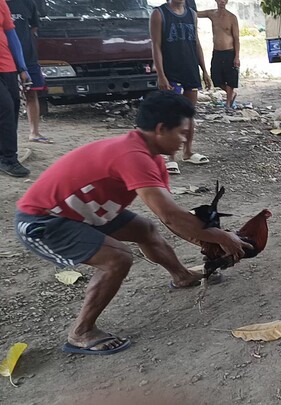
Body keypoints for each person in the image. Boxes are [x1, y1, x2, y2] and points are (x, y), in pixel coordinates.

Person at [14, 91, 252, 355]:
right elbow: (171, 216)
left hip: (83, 213)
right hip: (43, 221)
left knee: (145, 229)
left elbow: (171, 217)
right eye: (182, 133)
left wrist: (207, 240)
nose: (186, 139)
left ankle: (182, 276)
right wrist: (221, 237)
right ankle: (80, 333)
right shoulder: (132, 155)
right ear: (161, 129)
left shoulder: (150, 157)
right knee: (117, 259)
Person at [151, 0, 212, 174]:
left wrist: (204, 71)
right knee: (172, 114)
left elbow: (196, 43)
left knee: (189, 112)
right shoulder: (159, 14)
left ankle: (188, 151)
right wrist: (161, 75)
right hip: (171, 72)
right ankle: (170, 157)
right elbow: (155, 45)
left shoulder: (191, 14)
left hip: (190, 70)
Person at [8, 0, 49, 144]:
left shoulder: (28, 3)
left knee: (31, 92)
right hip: (6, 58)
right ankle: (9, 135)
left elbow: (33, 28)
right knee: (8, 98)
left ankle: (34, 133)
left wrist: (25, 44)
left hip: (28, 56)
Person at [1, 0, 32, 177]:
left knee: (12, 108)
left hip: (7, 66)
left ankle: (4, 154)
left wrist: (22, 67)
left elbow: (12, 36)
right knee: (5, 109)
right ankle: (9, 159)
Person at [198, 0, 240, 113]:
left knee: (230, 79)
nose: (222, 1)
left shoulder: (232, 17)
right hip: (217, 52)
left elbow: (236, 38)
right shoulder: (212, 14)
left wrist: (237, 56)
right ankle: (231, 94)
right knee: (216, 78)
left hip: (229, 52)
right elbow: (195, 13)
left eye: (224, 0)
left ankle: (228, 104)